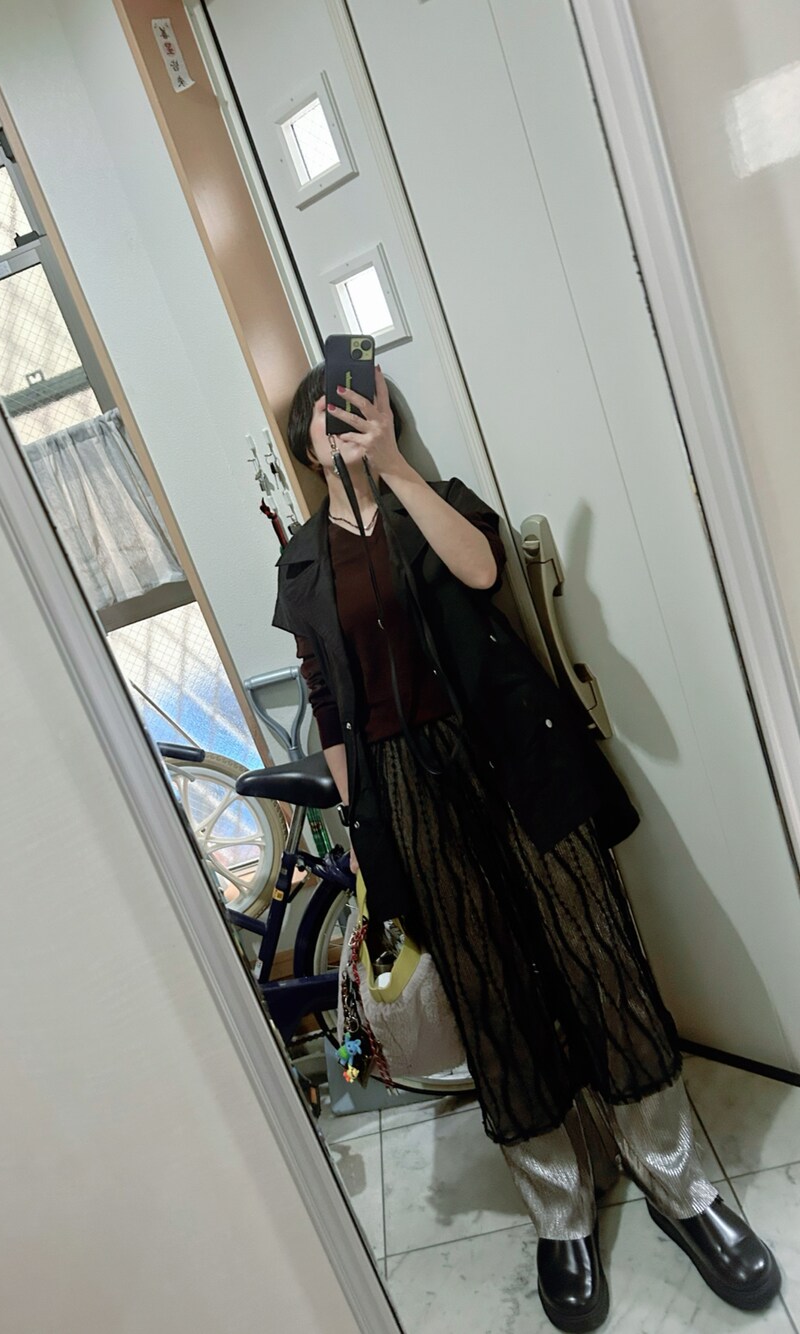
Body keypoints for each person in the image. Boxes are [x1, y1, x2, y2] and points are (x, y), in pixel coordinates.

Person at [272, 363, 780, 1331]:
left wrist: (394, 470)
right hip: (406, 793)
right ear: (303, 442)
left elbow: (482, 572)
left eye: (356, 405)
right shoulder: (300, 566)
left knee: (598, 955)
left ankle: (678, 1182)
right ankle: (559, 1207)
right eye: (323, 416)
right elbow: (331, 708)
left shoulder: (434, 498)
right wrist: (364, 834)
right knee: (490, 993)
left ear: (384, 414)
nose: (340, 423)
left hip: (511, 753)